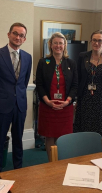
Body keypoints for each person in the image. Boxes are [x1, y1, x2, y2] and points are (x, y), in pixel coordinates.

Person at [0, 22, 32, 177]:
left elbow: (23, 83)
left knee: (18, 138)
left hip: (20, 105)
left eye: (21, 35)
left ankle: (18, 169)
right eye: (15, 33)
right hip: (2, 106)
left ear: (24, 39)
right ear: (9, 34)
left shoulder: (27, 57)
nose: (18, 37)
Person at [36, 32, 78, 161]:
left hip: (65, 107)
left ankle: (61, 163)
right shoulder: (43, 62)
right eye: (55, 43)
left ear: (65, 45)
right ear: (50, 45)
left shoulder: (71, 63)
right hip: (48, 106)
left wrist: (68, 101)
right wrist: (47, 101)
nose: (58, 45)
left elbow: (75, 85)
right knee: (50, 136)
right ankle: (51, 164)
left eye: (61, 43)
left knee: (63, 137)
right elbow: (39, 84)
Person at [74, 30, 102, 138]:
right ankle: (84, 153)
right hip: (86, 98)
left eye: (100, 41)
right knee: (84, 127)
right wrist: (77, 99)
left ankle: (99, 154)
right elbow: (78, 78)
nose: (97, 43)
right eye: (94, 40)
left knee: (100, 129)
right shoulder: (83, 56)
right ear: (91, 41)